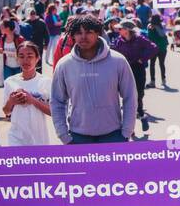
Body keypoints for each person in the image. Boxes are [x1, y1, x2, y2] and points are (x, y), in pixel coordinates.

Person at [50, 14, 137, 143]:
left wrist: (126, 132)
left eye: (89, 32)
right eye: (79, 33)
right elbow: (57, 101)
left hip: (113, 135)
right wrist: (63, 135)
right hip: (78, 137)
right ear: (72, 36)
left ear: (98, 34)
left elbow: (130, 97)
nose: (83, 37)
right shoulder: (64, 65)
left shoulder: (118, 61)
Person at [1, 40, 53, 146]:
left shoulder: (46, 82)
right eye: (21, 56)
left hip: (39, 139)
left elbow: (53, 112)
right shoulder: (10, 82)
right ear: (17, 58)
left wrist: (32, 100)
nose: (25, 60)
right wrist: (11, 101)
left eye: (30, 56)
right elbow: (6, 112)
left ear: (37, 58)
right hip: (16, 138)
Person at [111, 18, 158, 131]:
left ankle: (142, 116)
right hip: (124, 70)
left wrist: (142, 59)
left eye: (120, 29)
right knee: (126, 97)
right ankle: (130, 127)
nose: (118, 30)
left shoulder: (139, 39)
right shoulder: (118, 41)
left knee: (138, 95)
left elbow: (154, 48)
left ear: (127, 30)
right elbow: (112, 51)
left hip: (138, 70)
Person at [146, 14, 170, 88]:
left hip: (154, 48)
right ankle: (163, 79)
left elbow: (149, 38)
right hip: (162, 48)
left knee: (152, 64)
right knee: (162, 64)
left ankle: (152, 81)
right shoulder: (162, 26)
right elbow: (164, 36)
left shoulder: (150, 27)